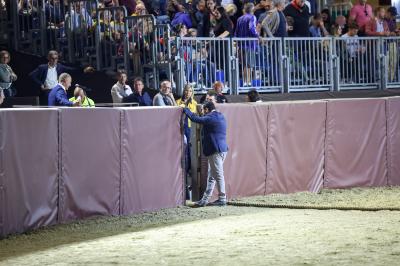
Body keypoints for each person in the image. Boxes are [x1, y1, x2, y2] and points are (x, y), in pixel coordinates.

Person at [183, 100, 229, 207]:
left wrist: (186, 109)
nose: (203, 112)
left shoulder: (210, 117)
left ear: (207, 110)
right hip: (221, 149)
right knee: (212, 176)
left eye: (204, 110)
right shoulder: (219, 115)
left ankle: (222, 198)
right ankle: (205, 199)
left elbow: (195, 119)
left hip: (215, 151)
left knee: (218, 175)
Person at [29, 50, 94, 105]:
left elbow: (72, 70)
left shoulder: (60, 67)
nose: (54, 60)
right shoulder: (42, 67)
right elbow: (32, 75)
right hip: (47, 92)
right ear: (48, 58)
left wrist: (83, 70)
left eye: (56, 58)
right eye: (52, 58)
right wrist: (41, 84)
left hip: (57, 91)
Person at [177, 84, 198, 186]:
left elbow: (193, 115)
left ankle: (190, 169)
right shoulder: (178, 102)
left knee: (190, 149)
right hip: (181, 127)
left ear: (192, 92)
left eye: (189, 91)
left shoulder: (194, 103)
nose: (187, 93)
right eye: (186, 90)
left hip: (190, 128)